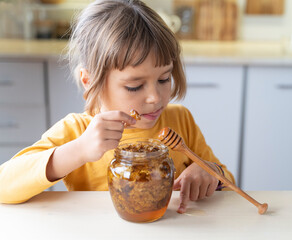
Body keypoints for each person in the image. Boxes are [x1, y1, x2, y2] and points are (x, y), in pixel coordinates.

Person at [0, 0, 234, 213]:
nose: (155, 97)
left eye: (164, 79)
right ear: (89, 81)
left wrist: (211, 173)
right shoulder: (77, 131)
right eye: (134, 86)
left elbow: (228, 181)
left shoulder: (180, 120)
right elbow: (4, 186)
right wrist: (79, 150)